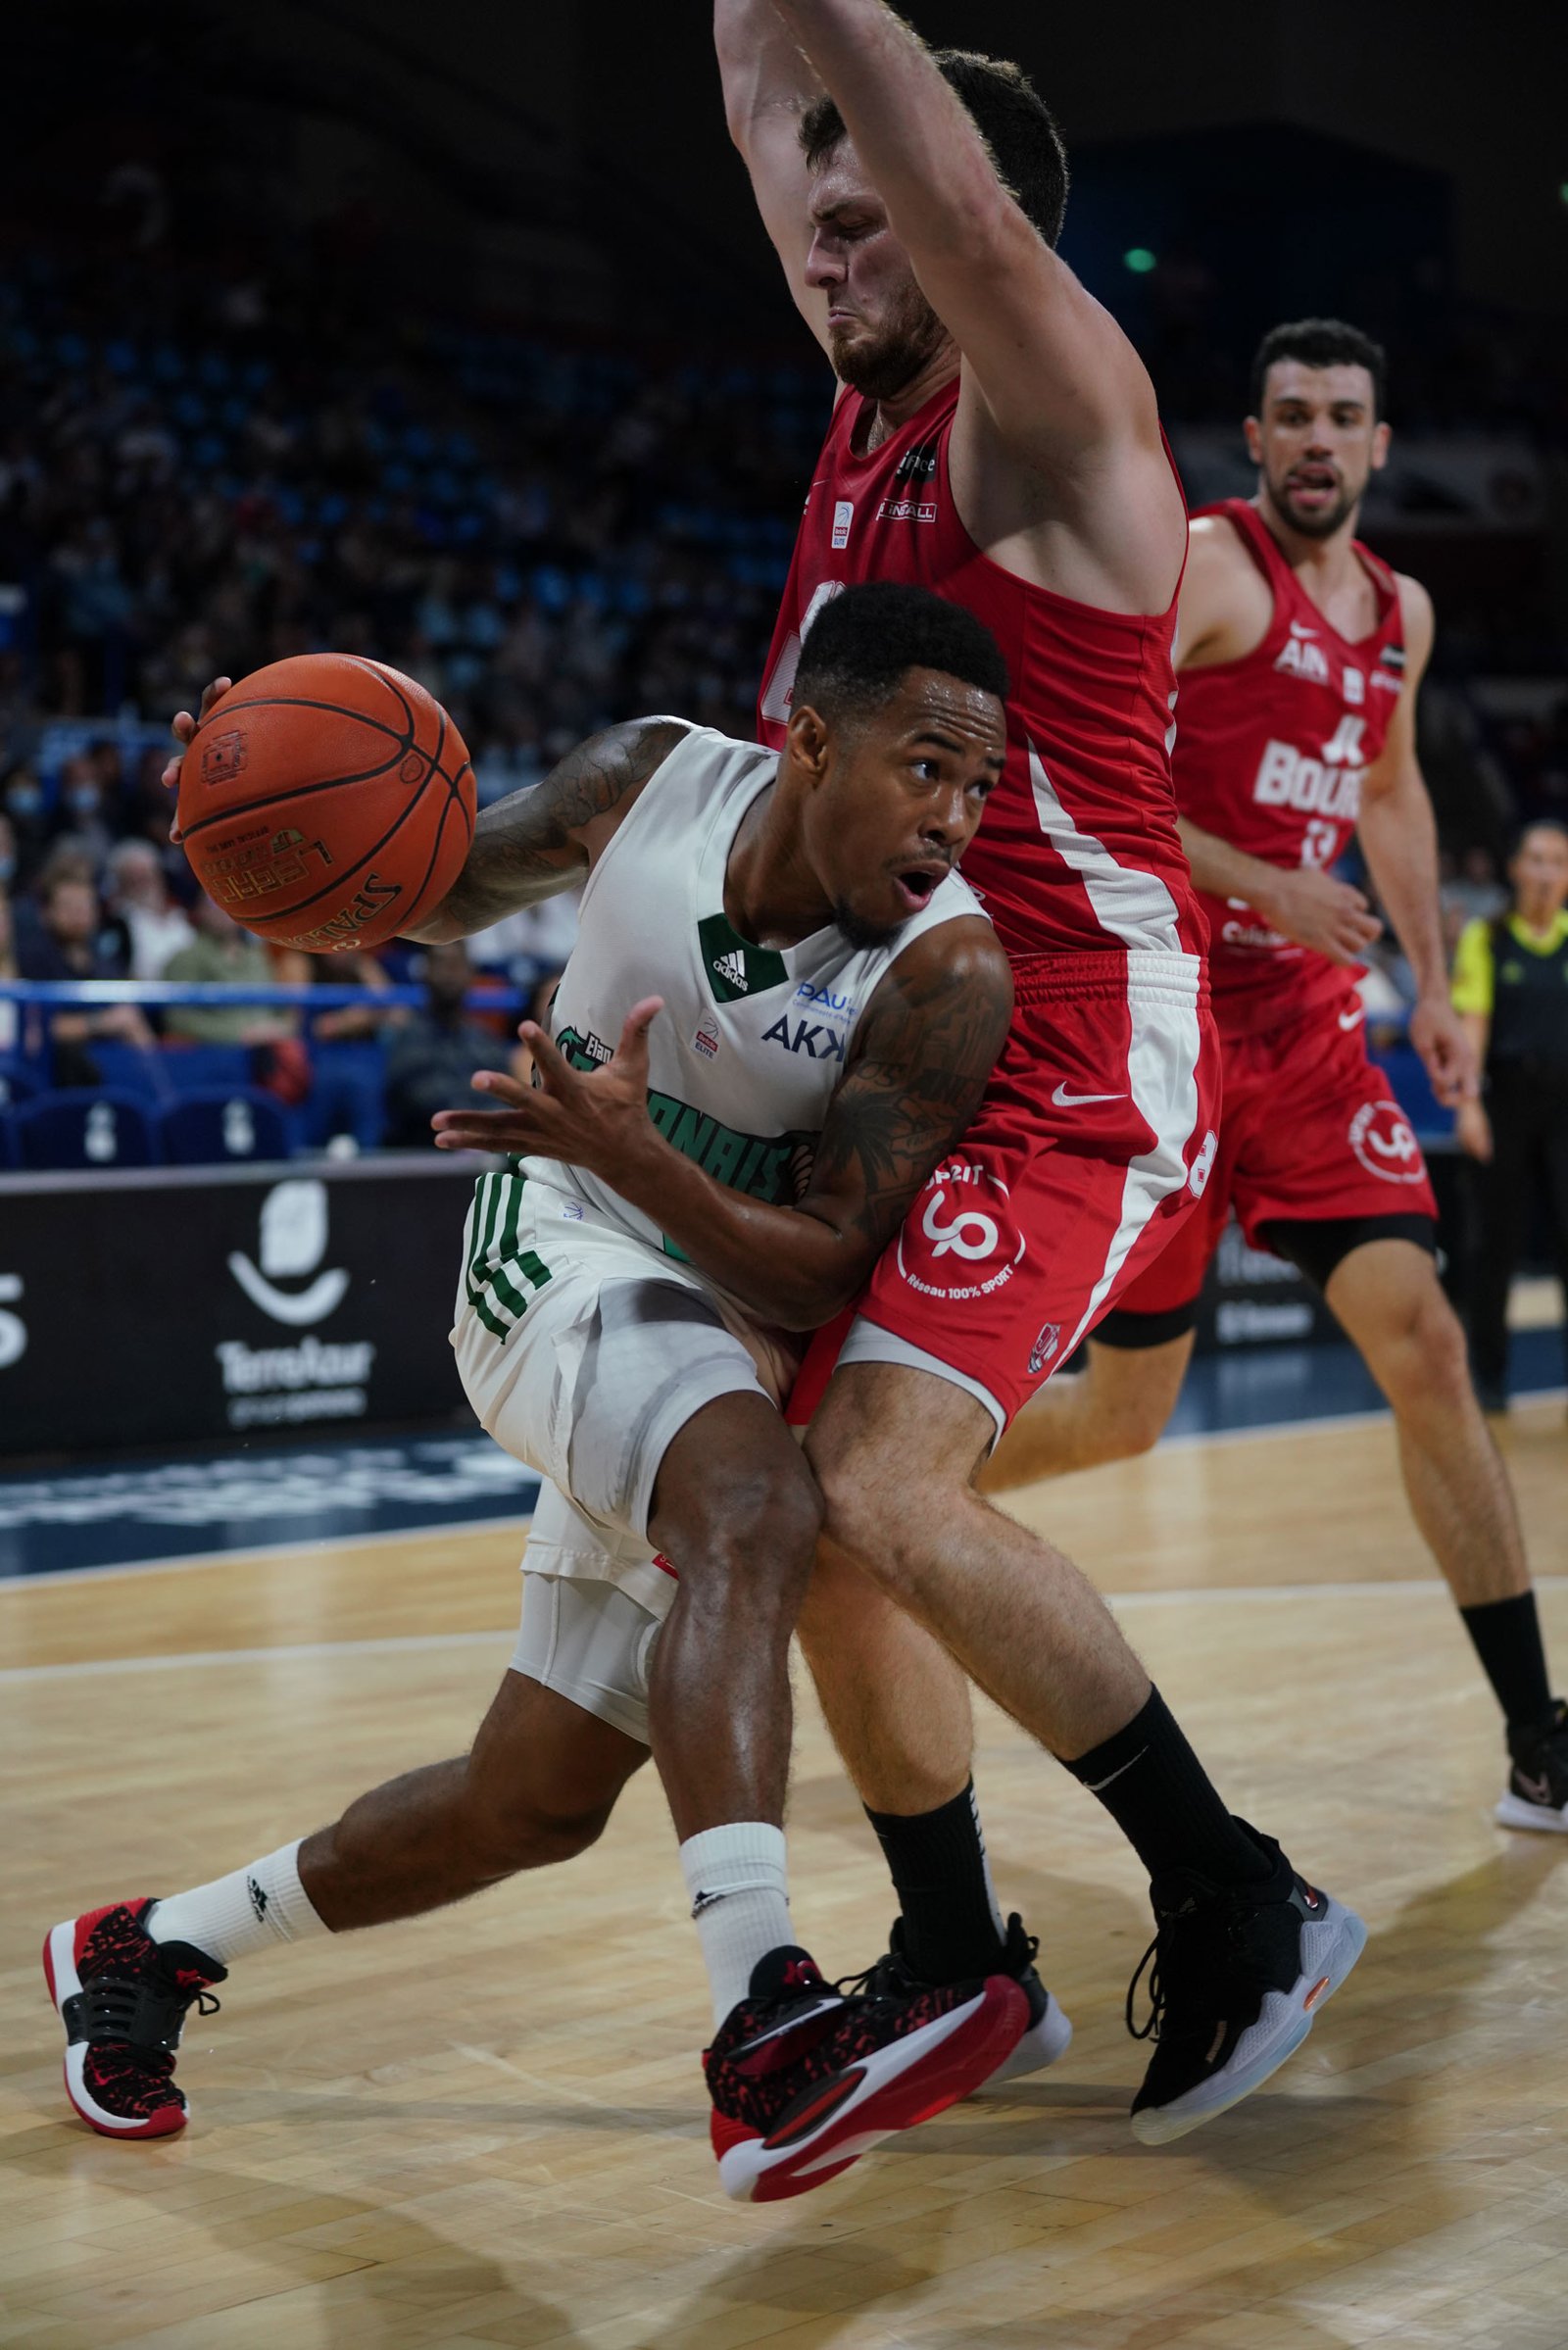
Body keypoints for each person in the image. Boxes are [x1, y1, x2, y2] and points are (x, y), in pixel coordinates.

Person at [47, 584, 1034, 2202]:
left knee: (532, 1800)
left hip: (721, 1317)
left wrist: (646, 1150)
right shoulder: (648, 778)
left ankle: (146, 1946)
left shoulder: (947, 974)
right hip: (555, 1231)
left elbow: (817, 1273)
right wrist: (266, 811)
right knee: (757, 1505)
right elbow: (426, 883)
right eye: (927, 768)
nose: (955, 816)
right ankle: (767, 2029)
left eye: (980, 786)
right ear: (809, 740)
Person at [713, 0, 1363, 2143]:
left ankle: (1242, 1895)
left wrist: (879, 109)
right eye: (811, 221)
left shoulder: (1049, 422)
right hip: (923, 1033)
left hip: (1082, 1039)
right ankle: (959, 1952)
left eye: (866, 216)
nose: (825, 246)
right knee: (813, 1505)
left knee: (887, 1484)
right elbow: (762, 86)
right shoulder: (862, 395)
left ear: (961, 220)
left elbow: (958, 206)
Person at [980, 318, 1568, 1835]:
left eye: (1342, 416)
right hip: (1161, 1021)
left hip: (1306, 1032)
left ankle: (1538, 1738)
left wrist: (1430, 982)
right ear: (1253, 439)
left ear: (1380, 446)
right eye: (1292, 414)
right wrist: (1263, 880)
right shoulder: (1203, 566)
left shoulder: (1400, 613)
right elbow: (1077, 760)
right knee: (1125, 1417)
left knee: (1426, 1340)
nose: (1317, 438)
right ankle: (906, 1499)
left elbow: (1392, 790)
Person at [1451, 819, 1568, 1425]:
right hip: (1506, 1104)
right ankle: (1489, 1378)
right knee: (1495, 1247)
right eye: (1538, 860)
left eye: (1559, 862)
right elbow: (1472, 1029)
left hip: (1565, 1107)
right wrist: (1469, 1105)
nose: (1547, 872)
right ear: (1517, 869)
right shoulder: (1487, 937)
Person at [381, 940, 527, 1148]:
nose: (449, 974)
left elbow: (505, 1093)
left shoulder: (485, 1039)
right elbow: (414, 1098)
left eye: (456, 965)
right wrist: (473, 1123)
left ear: (471, 973)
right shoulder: (406, 1037)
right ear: (425, 972)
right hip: (426, 1152)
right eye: (441, 964)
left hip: (485, 1149)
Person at [17, 867, 154, 1083]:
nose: (78, 913)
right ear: (46, 912)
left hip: (109, 1064)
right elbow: (35, 1031)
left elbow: (128, 1017)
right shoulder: (30, 958)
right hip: (53, 1073)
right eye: (68, 906)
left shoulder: (104, 958)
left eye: (85, 905)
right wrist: (101, 1022)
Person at [104, 837, 193, 981]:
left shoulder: (181, 915)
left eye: (147, 874)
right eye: (134, 877)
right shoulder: (118, 923)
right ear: (122, 883)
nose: (143, 883)